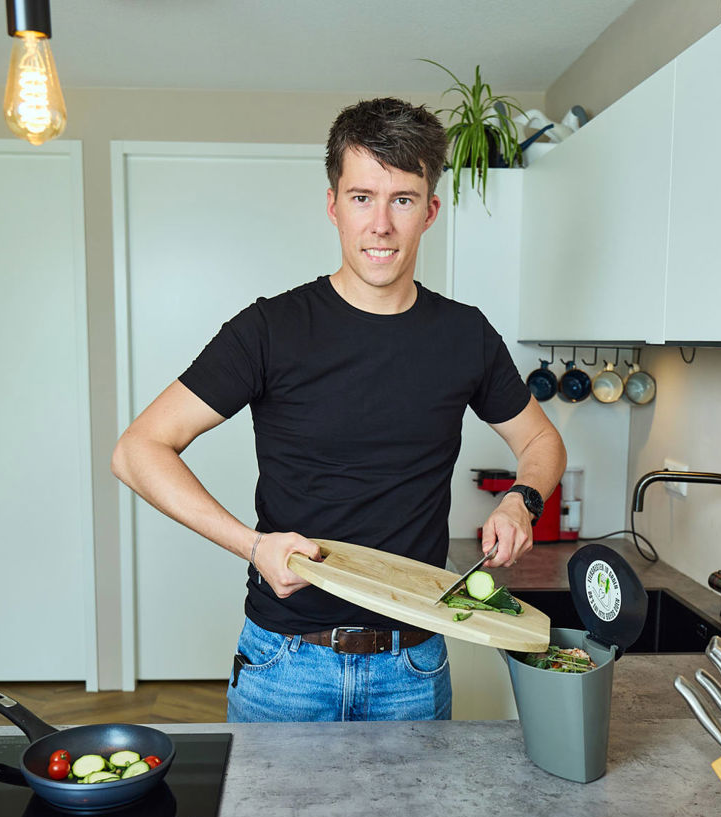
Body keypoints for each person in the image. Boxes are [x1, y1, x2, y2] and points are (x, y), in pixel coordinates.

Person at [111, 97, 565, 722]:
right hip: (284, 665)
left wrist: (523, 499)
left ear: (430, 212)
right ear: (332, 206)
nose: (381, 224)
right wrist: (252, 545)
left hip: (414, 663)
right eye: (361, 197)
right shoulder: (269, 329)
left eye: (402, 199)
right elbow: (137, 451)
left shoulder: (466, 336)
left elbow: (542, 443)